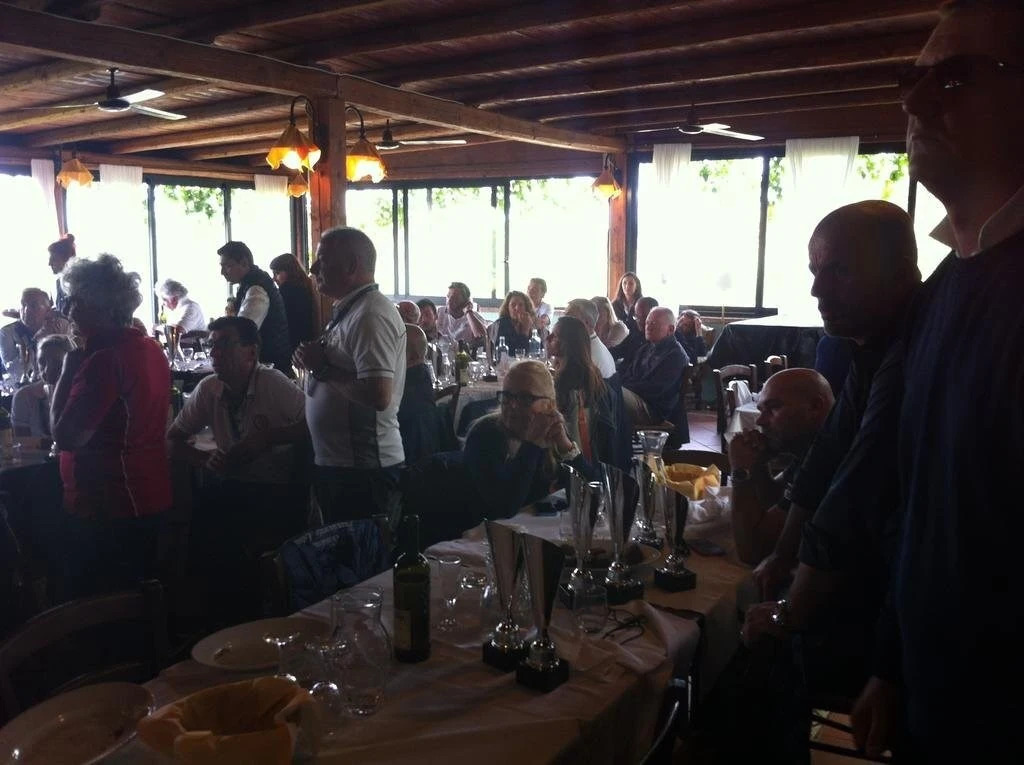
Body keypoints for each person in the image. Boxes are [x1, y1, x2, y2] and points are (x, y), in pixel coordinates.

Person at [844, 3, 1024, 758]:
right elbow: (916, 501)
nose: (914, 102)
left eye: (954, 78)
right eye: (909, 80)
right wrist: (890, 664)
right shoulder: (945, 288)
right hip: (931, 693)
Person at [167, 315, 309, 624]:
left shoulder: (273, 383)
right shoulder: (209, 388)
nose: (215, 353)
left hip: (277, 489)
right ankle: (206, 618)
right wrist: (204, 460)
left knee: (232, 533)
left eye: (224, 345)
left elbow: (313, 426)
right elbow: (173, 440)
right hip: (233, 486)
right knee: (202, 525)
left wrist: (268, 438)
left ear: (251, 352)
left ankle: (249, 615)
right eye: (212, 346)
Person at [50, 254, 171, 598]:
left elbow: (66, 436)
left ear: (98, 305)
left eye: (74, 301)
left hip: (110, 502)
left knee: (102, 607)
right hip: (147, 492)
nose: (69, 311)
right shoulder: (149, 348)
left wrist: (67, 370)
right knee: (141, 601)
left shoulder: (104, 360)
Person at [293, 227, 407, 527]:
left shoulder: (370, 314)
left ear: (352, 266)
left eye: (322, 260)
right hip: (343, 466)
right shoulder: (352, 310)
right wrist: (313, 359)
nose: (313, 269)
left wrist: (322, 368)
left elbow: (378, 395)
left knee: (362, 556)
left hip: (363, 472)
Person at [463, 360, 596, 519]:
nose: (512, 405)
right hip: (485, 530)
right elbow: (504, 506)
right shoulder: (485, 434)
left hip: (532, 528)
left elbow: (591, 494)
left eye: (525, 398)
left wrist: (566, 447)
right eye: (507, 396)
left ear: (549, 405)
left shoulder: (550, 431)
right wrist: (531, 445)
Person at [729, 369, 834, 566]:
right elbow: (776, 501)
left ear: (815, 407)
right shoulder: (810, 449)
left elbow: (753, 551)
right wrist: (758, 465)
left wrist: (741, 473)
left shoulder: (830, 459)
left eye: (773, 408)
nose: (760, 421)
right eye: (761, 410)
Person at [547, 316, 618, 466]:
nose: (548, 338)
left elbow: (568, 433)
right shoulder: (591, 372)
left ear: (567, 344)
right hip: (599, 457)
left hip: (574, 460)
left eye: (554, 336)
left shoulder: (566, 384)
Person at [218, 241, 292, 375]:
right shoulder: (251, 282)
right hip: (267, 365)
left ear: (244, 263)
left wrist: (217, 336)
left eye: (227, 266)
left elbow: (242, 331)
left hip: (270, 368)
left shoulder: (256, 289)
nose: (222, 272)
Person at [619, 306, 688, 427]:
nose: (648, 327)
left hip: (652, 409)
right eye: (647, 322)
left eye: (654, 324)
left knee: (611, 393)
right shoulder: (645, 348)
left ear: (671, 329)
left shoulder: (675, 355)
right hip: (635, 397)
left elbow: (654, 389)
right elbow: (628, 374)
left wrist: (622, 387)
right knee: (604, 389)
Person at [0, 288, 71, 381]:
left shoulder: (61, 325)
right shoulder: (7, 333)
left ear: (48, 310)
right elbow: (16, 373)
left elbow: (70, 360)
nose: (26, 310)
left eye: (33, 306)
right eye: (23, 305)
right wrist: (36, 342)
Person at [11, 334, 74, 437]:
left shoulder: (79, 394)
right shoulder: (24, 396)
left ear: (71, 364)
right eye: (42, 362)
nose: (48, 369)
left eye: (56, 362)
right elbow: (22, 442)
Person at [398, 324, 443, 464]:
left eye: (397, 346)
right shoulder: (422, 376)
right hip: (425, 456)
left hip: (409, 461)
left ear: (413, 356)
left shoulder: (409, 383)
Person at [269, 253, 316, 355]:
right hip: (304, 343)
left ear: (289, 271)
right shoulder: (304, 287)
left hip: (291, 346)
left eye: (277, 273)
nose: (274, 278)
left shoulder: (286, 290)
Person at [564, 298, 616, 379]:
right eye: (565, 316)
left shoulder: (586, 353)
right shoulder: (588, 343)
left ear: (587, 323)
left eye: (570, 318)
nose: (564, 322)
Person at [613, 295, 659, 366]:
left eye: (644, 316)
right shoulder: (635, 332)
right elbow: (619, 350)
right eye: (637, 316)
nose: (639, 321)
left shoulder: (658, 342)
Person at [489, 290, 534, 357]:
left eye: (521, 305)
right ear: (507, 308)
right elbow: (509, 353)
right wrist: (525, 331)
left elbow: (536, 350)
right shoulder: (501, 324)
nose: (517, 308)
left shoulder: (530, 322)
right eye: (513, 305)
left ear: (526, 308)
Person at [47, 234, 76, 316]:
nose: (49, 264)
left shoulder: (77, 284)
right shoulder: (59, 283)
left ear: (66, 259)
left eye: (53, 259)